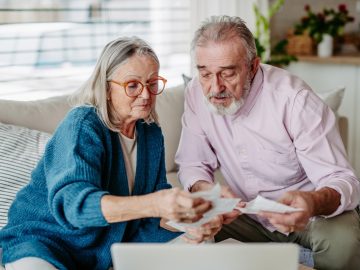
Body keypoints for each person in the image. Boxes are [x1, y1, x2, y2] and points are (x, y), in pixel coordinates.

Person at [0, 37, 216, 270]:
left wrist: (191, 219)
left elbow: (154, 211)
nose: (146, 95)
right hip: (48, 241)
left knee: (201, 242)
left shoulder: (150, 132)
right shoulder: (83, 125)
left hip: (111, 240)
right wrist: (155, 204)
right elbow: (76, 207)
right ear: (106, 88)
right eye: (133, 85)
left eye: (152, 83)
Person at [175, 15, 360, 270]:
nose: (214, 87)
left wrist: (311, 202)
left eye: (227, 73)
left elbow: (341, 178)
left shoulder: (295, 100)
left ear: (253, 66)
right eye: (205, 73)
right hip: (244, 212)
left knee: (345, 244)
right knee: (189, 232)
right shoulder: (197, 93)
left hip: (308, 215)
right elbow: (192, 164)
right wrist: (209, 191)